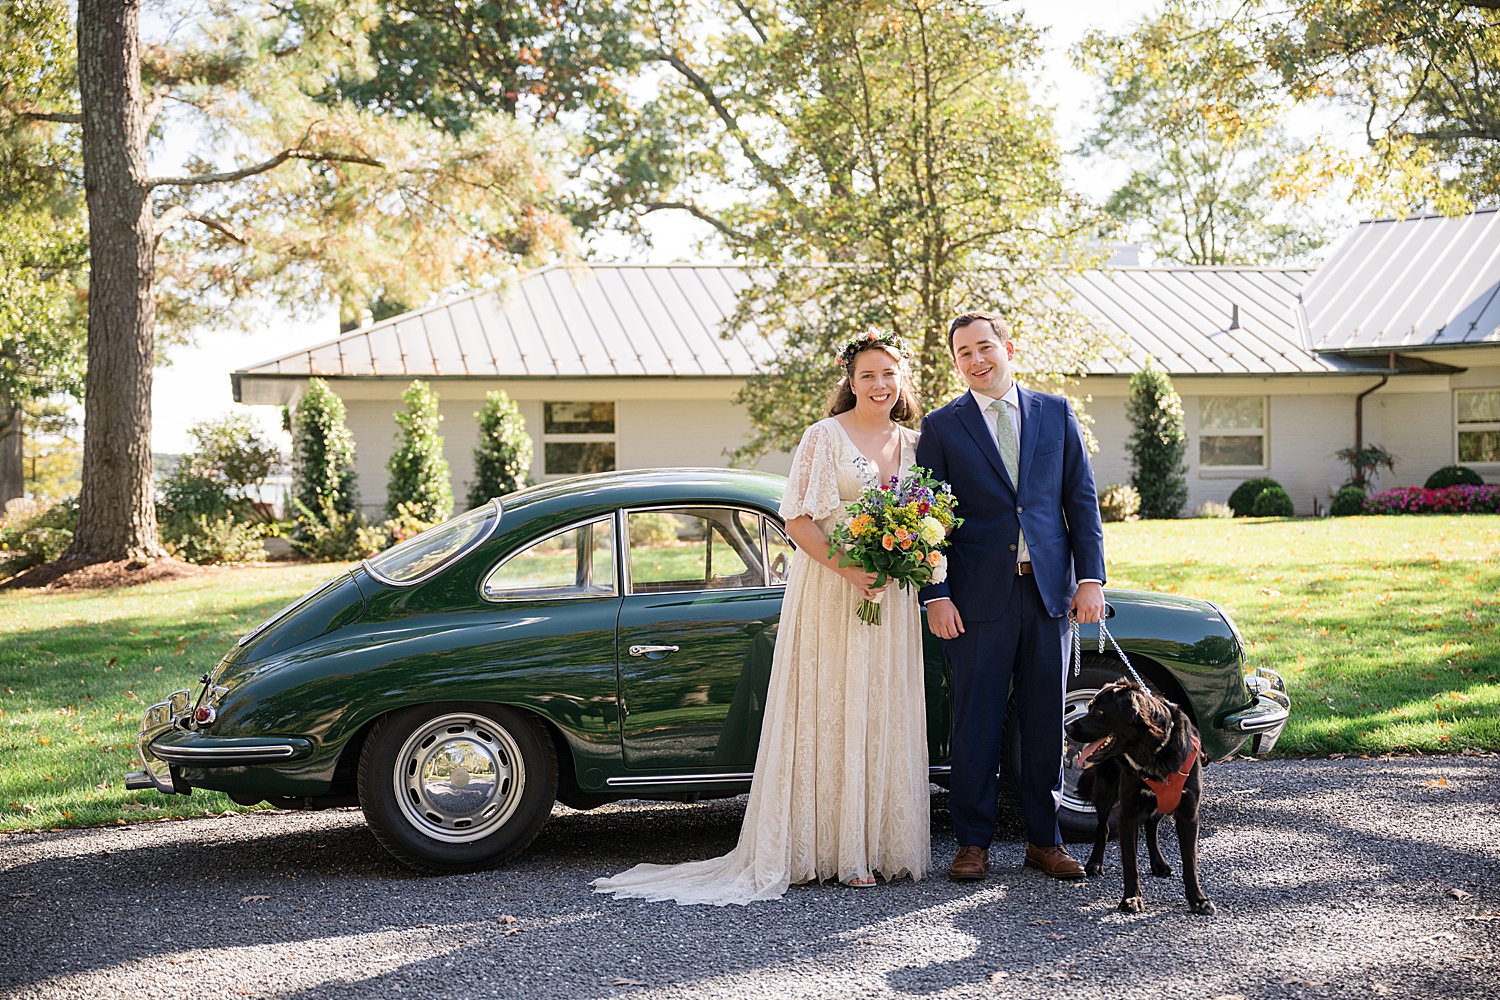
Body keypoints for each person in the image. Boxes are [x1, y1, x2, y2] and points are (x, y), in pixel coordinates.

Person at [592, 331, 931, 904]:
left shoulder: (918, 443)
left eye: (888, 374)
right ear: (850, 380)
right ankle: (830, 849)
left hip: (891, 596)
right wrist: (852, 570)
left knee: (882, 704)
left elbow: (928, 513)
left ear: (903, 380)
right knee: (832, 704)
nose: (879, 385)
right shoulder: (823, 437)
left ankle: (876, 844)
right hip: (831, 588)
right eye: (867, 374)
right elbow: (797, 520)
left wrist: (911, 554)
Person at [916, 311, 1106, 883]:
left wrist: (1091, 579)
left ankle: (1044, 841)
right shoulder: (941, 427)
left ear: (1008, 346)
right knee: (977, 722)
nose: (975, 360)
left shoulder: (1055, 412)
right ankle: (973, 842)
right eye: (963, 354)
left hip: (1049, 595)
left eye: (983, 347)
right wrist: (937, 594)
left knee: (1045, 723)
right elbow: (928, 519)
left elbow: (1081, 501)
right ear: (955, 363)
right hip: (975, 601)